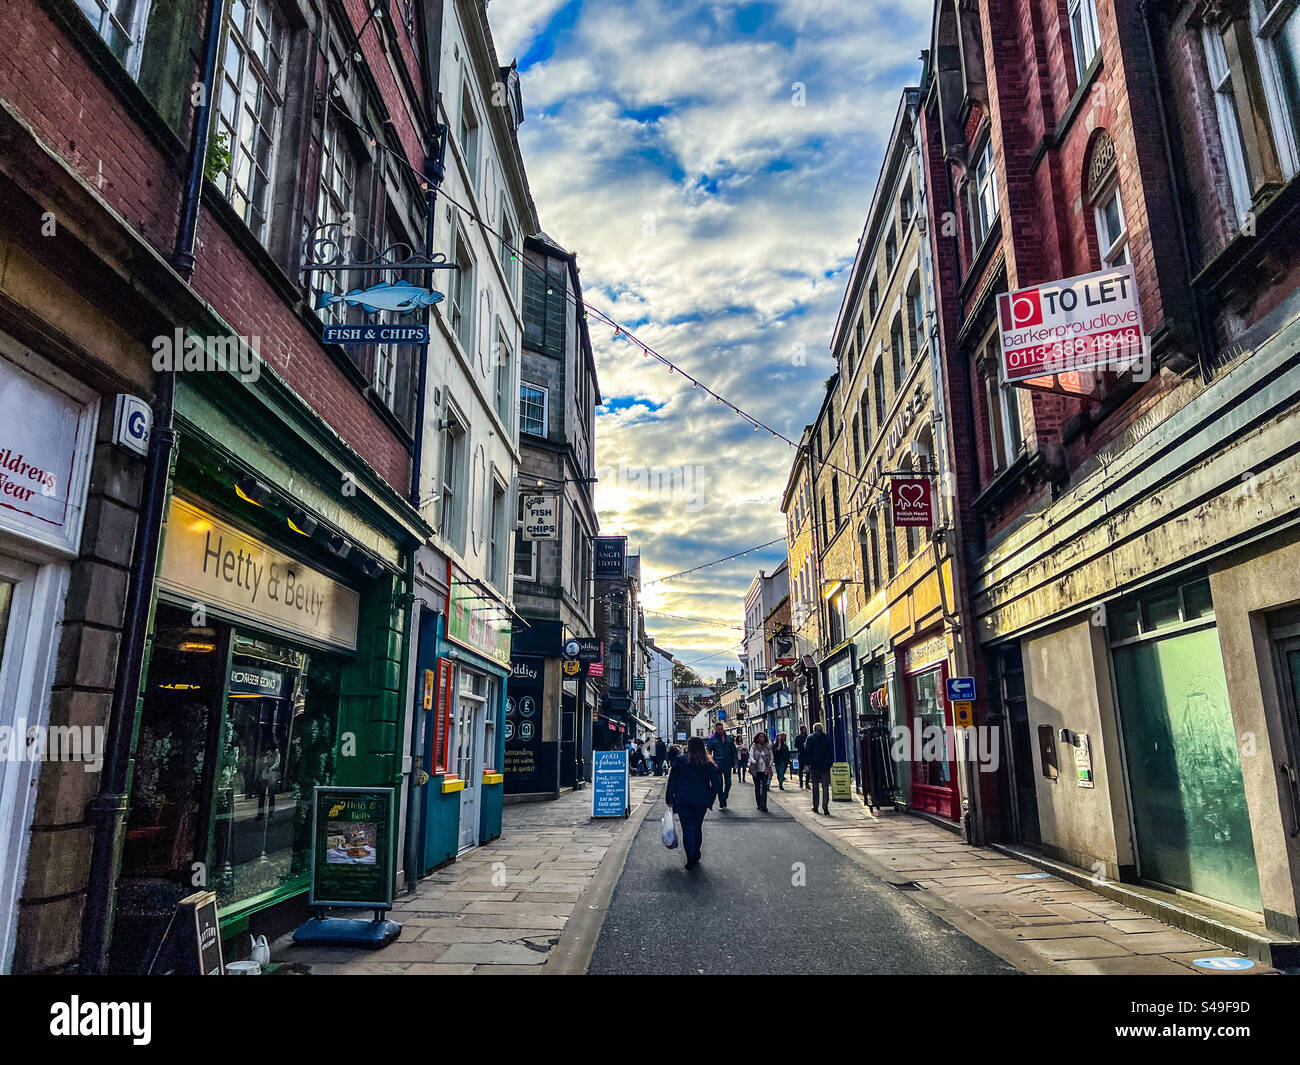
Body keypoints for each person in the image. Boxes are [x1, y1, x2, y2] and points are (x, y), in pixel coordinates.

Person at [665, 736, 723, 869]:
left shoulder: (680, 760)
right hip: (700, 800)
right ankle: (695, 853)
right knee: (697, 828)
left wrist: (669, 797)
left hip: (683, 799)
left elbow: (672, 780)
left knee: (687, 829)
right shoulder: (707, 763)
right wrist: (710, 798)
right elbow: (716, 783)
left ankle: (690, 857)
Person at [705, 725, 738, 809]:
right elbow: (708, 752)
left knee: (729, 783)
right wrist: (712, 762)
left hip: (727, 763)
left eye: (721, 729)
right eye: (719, 729)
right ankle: (722, 802)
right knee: (719, 784)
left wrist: (735, 763)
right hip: (717, 764)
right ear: (716, 730)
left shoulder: (729, 739)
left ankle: (724, 798)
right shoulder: (713, 740)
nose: (720, 731)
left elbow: (734, 751)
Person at [805, 721, 835, 815]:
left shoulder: (810, 738)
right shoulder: (826, 737)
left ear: (813, 729)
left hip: (814, 766)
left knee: (815, 787)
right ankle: (825, 808)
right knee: (825, 787)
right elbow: (831, 751)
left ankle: (815, 806)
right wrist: (830, 763)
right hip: (825, 767)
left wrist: (807, 764)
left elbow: (807, 752)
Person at [748, 731, 774, 812]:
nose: (762, 738)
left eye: (763, 737)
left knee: (764, 788)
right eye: (760, 737)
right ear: (757, 738)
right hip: (756, 770)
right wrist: (753, 761)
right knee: (757, 787)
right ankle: (759, 803)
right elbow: (751, 755)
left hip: (765, 770)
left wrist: (770, 764)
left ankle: (764, 805)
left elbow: (771, 756)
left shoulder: (767, 747)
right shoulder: (754, 747)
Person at [254, 738, 280, 821]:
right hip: (264, 774)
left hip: (271, 774)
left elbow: (277, 762)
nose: (266, 745)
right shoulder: (265, 752)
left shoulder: (276, 752)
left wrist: (270, 768)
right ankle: (261, 813)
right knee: (262, 794)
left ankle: (270, 813)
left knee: (271, 794)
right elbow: (259, 761)